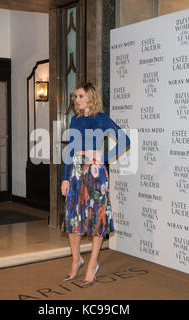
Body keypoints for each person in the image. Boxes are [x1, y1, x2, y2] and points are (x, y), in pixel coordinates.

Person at [61, 82, 130, 287]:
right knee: (72, 219)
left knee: (97, 219)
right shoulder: (74, 119)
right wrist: (65, 178)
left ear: (90, 97)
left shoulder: (100, 118)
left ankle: (92, 264)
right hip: (75, 172)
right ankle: (76, 259)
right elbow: (70, 150)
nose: (77, 100)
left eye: (81, 96)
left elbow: (125, 140)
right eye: (75, 97)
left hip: (94, 173)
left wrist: (103, 157)